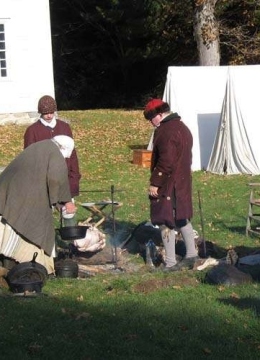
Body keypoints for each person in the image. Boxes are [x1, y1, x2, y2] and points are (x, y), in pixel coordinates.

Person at [0, 135, 77, 274]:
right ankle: (31, 264)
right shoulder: (55, 152)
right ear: (65, 149)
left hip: (11, 192)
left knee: (12, 228)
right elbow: (56, 178)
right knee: (35, 225)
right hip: (27, 197)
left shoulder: (39, 146)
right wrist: (65, 201)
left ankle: (8, 262)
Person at [143, 98, 199, 271]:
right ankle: (191, 254)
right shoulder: (183, 127)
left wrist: (155, 183)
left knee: (164, 221)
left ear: (159, 115)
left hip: (169, 183)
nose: (151, 123)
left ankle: (170, 262)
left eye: (152, 119)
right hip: (182, 181)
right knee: (181, 217)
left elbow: (166, 161)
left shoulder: (166, 131)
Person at [24, 95, 81, 198]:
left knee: (68, 213)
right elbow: (29, 159)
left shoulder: (65, 127)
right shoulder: (32, 131)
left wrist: (74, 179)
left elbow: (72, 155)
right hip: (42, 182)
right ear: (41, 113)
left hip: (65, 179)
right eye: (46, 113)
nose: (49, 116)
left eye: (51, 112)